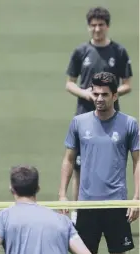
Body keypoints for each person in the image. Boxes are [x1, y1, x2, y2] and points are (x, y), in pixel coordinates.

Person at [59, 71, 139, 254]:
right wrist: (63, 196)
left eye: (105, 94)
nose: (99, 99)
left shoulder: (129, 124)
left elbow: (137, 161)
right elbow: (68, 160)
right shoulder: (78, 123)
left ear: (115, 96)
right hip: (87, 205)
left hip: (117, 205)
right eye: (95, 94)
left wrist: (136, 198)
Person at [64, 6, 133, 220]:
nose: (96, 29)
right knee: (79, 165)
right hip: (86, 113)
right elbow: (69, 84)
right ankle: (78, 211)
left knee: (113, 161)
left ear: (107, 26)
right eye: (93, 25)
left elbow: (128, 84)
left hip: (112, 115)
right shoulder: (80, 52)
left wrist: (108, 94)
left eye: (100, 25)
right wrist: (87, 94)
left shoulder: (118, 52)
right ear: (88, 27)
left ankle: (115, 208)